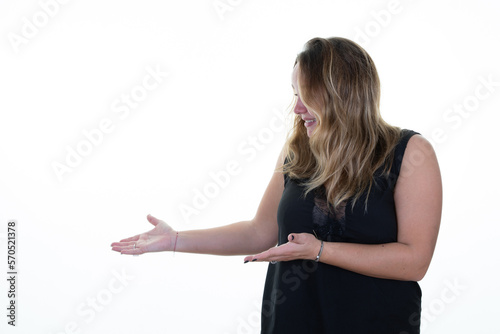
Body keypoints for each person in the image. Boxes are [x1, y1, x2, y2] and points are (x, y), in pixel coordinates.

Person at [110, 36, 442, 334]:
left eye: (307, 96)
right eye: (295, 94)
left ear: (343, 93)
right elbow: (260, 232)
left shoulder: (410, 152)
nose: (297, 109)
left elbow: (415, 261)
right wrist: (176, 239)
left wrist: (319, 250)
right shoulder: (298, 150)